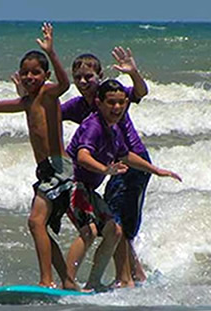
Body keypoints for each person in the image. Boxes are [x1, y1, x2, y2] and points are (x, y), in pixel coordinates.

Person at [0, 23, 77, 289]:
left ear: (45, 75)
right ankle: (68, 283)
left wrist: (52, 52)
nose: (29, 77)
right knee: (40, 227)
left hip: (59, 167)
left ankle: (47, 281)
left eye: (35, 72)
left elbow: (65, 83)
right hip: (45, 170)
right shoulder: (26, 102)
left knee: (35, 222)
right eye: (25, 73)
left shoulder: (47, 94)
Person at [65, 78, 182, 290]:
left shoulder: (113, 129)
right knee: (89, 231)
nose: (117, 107)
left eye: (121, 102)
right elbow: (82, 156)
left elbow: (125, 155)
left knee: (115, 231)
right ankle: (68, 282)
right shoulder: (93, 126)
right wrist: (104, 169)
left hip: (88, 190)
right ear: (99, 103)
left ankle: (93, 283)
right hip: (73, 186)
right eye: (111, 102)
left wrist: (155, 170)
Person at [61, 49, 150, 287]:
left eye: (88, 76)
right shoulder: (78, 106)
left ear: (99, 75)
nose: (82, 82)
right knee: (115, 224)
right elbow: (50, 115)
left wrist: (133, 73)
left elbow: (140, 93)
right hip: (111, 165)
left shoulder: (113, 96)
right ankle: (135, 275)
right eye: (78, 77)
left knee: (117, 222)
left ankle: (126, 278)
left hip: (132, 162)